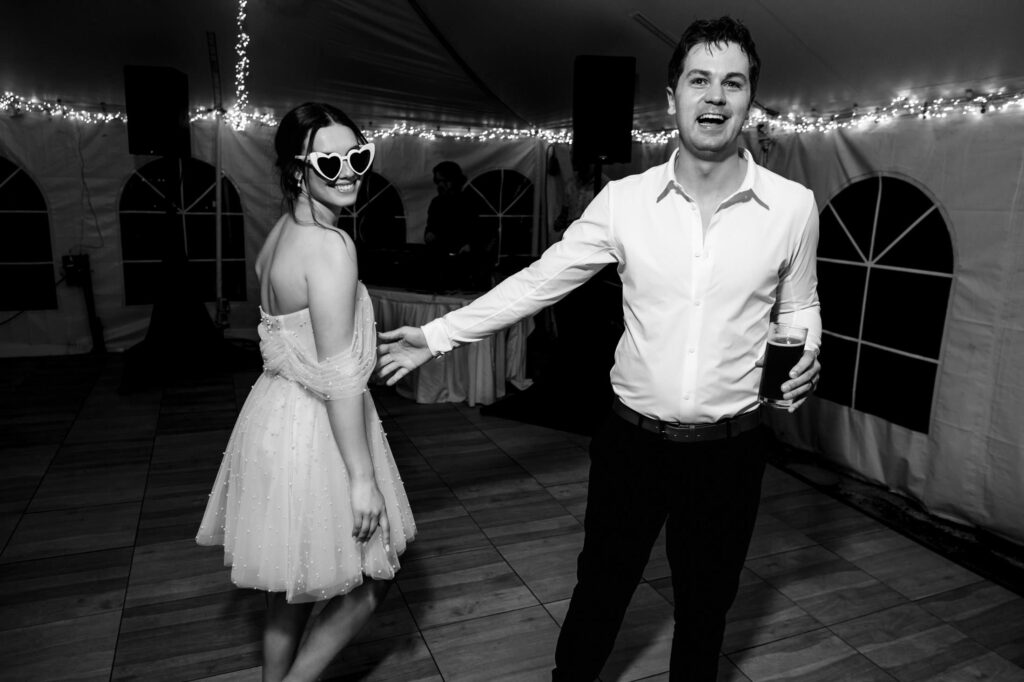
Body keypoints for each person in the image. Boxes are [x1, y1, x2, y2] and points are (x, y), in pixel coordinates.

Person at [378, 16, 820, 681]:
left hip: (732, 450)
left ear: (750, 100)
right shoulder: (625, 202)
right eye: (700, 80)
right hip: (632, 445)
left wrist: (808, 352)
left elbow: (801, 306)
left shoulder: (792, 207)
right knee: (602, 590)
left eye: (734, 83)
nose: (716, 97)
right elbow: (538, 283)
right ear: (673, 94)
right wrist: (438, 334)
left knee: (706, 608)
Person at [196, 102, 416, 682]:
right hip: (318, 427)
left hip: (271, 419)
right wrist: (363, 480)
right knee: (377, 577)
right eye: (330, 159)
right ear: (298, 169)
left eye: (358, 157)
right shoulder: (330, 247)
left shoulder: (277, 238)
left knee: (288, 586)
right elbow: (342, 376)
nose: (348, 171)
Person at [423, 160, 495, 289]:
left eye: (445, 181)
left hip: (466, 263)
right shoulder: (437, 203)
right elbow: (430, 227)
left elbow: (483, 232)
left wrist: (470, 246)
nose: (441, 185)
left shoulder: (470, 201)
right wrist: (429, 234)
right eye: (438, 182)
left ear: (455, 181)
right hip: (440, 260)